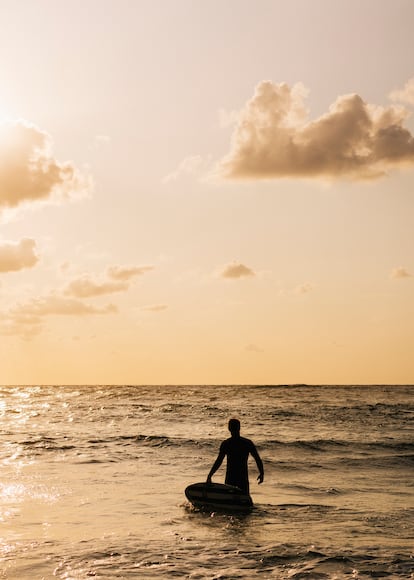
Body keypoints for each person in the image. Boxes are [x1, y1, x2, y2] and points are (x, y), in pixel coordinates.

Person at [206, 418, 264, 494]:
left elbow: (219, 461)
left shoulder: (226, 444)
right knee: (244, 501)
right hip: (243, 478)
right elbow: (257, 459)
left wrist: (210, 475)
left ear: (229, 428)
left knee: (229, 501)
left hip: (231, 477)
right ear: (239, 428)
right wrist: (261, 473)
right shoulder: (247, 443)